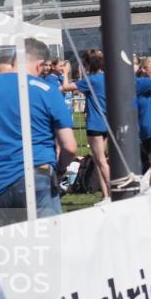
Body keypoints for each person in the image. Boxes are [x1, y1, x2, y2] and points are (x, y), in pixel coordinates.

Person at [0, 39, 77, 223]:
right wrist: (61, 169)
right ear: (40, 65)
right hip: (38, 177)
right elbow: (69, 146)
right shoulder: (47, 90)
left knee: (5, 241)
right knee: (46, 239)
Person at [62, 49, 111, 199]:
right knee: (98, 161)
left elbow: (65, 87)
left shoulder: (91, 80)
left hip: (95, 124)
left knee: (101, 162)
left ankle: (112, 193)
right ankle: (105, 195)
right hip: (107, 124)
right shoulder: (108, 78)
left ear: (89, 64)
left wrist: (65, 73)